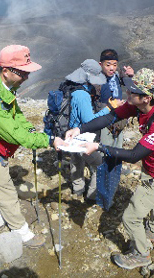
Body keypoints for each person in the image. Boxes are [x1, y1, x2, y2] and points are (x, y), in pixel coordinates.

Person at [65, 68, 154, 270]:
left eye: (132, 92)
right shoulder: (140, 107)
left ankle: (141, 253)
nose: (126, 94)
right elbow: (110, 117)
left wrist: (99, 147)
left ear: (146, 98)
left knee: (131, 217)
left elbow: (134, 155)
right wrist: (80, 129)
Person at [0, 45, 65, 248]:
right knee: (7, 193)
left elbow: (15, 113)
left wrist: (29, 129)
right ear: (6, 71)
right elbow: (13, 133)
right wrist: (47, 140)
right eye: (22, 73)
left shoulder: (0, 84)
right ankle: (22, 233)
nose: (27, 77)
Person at [64, 59, 113, 201]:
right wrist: (108, 110)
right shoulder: (82, 95)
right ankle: (92, 195)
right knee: (100, 165)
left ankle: (77, 189)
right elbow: (89, 121)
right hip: (82, 138)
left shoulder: (70, 86)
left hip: (70, 134)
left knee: (76, 162)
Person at [98, 49, 134, 148]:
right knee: (105, 148)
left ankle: (116, 162)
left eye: (114, 65)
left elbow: (130, 84)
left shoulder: (117, 74)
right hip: (104, 118)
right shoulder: (96, 80)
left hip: (119, 116)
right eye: (108, 65)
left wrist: (131, 76)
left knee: (118, 148)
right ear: (100, 64)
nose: (111, 68)